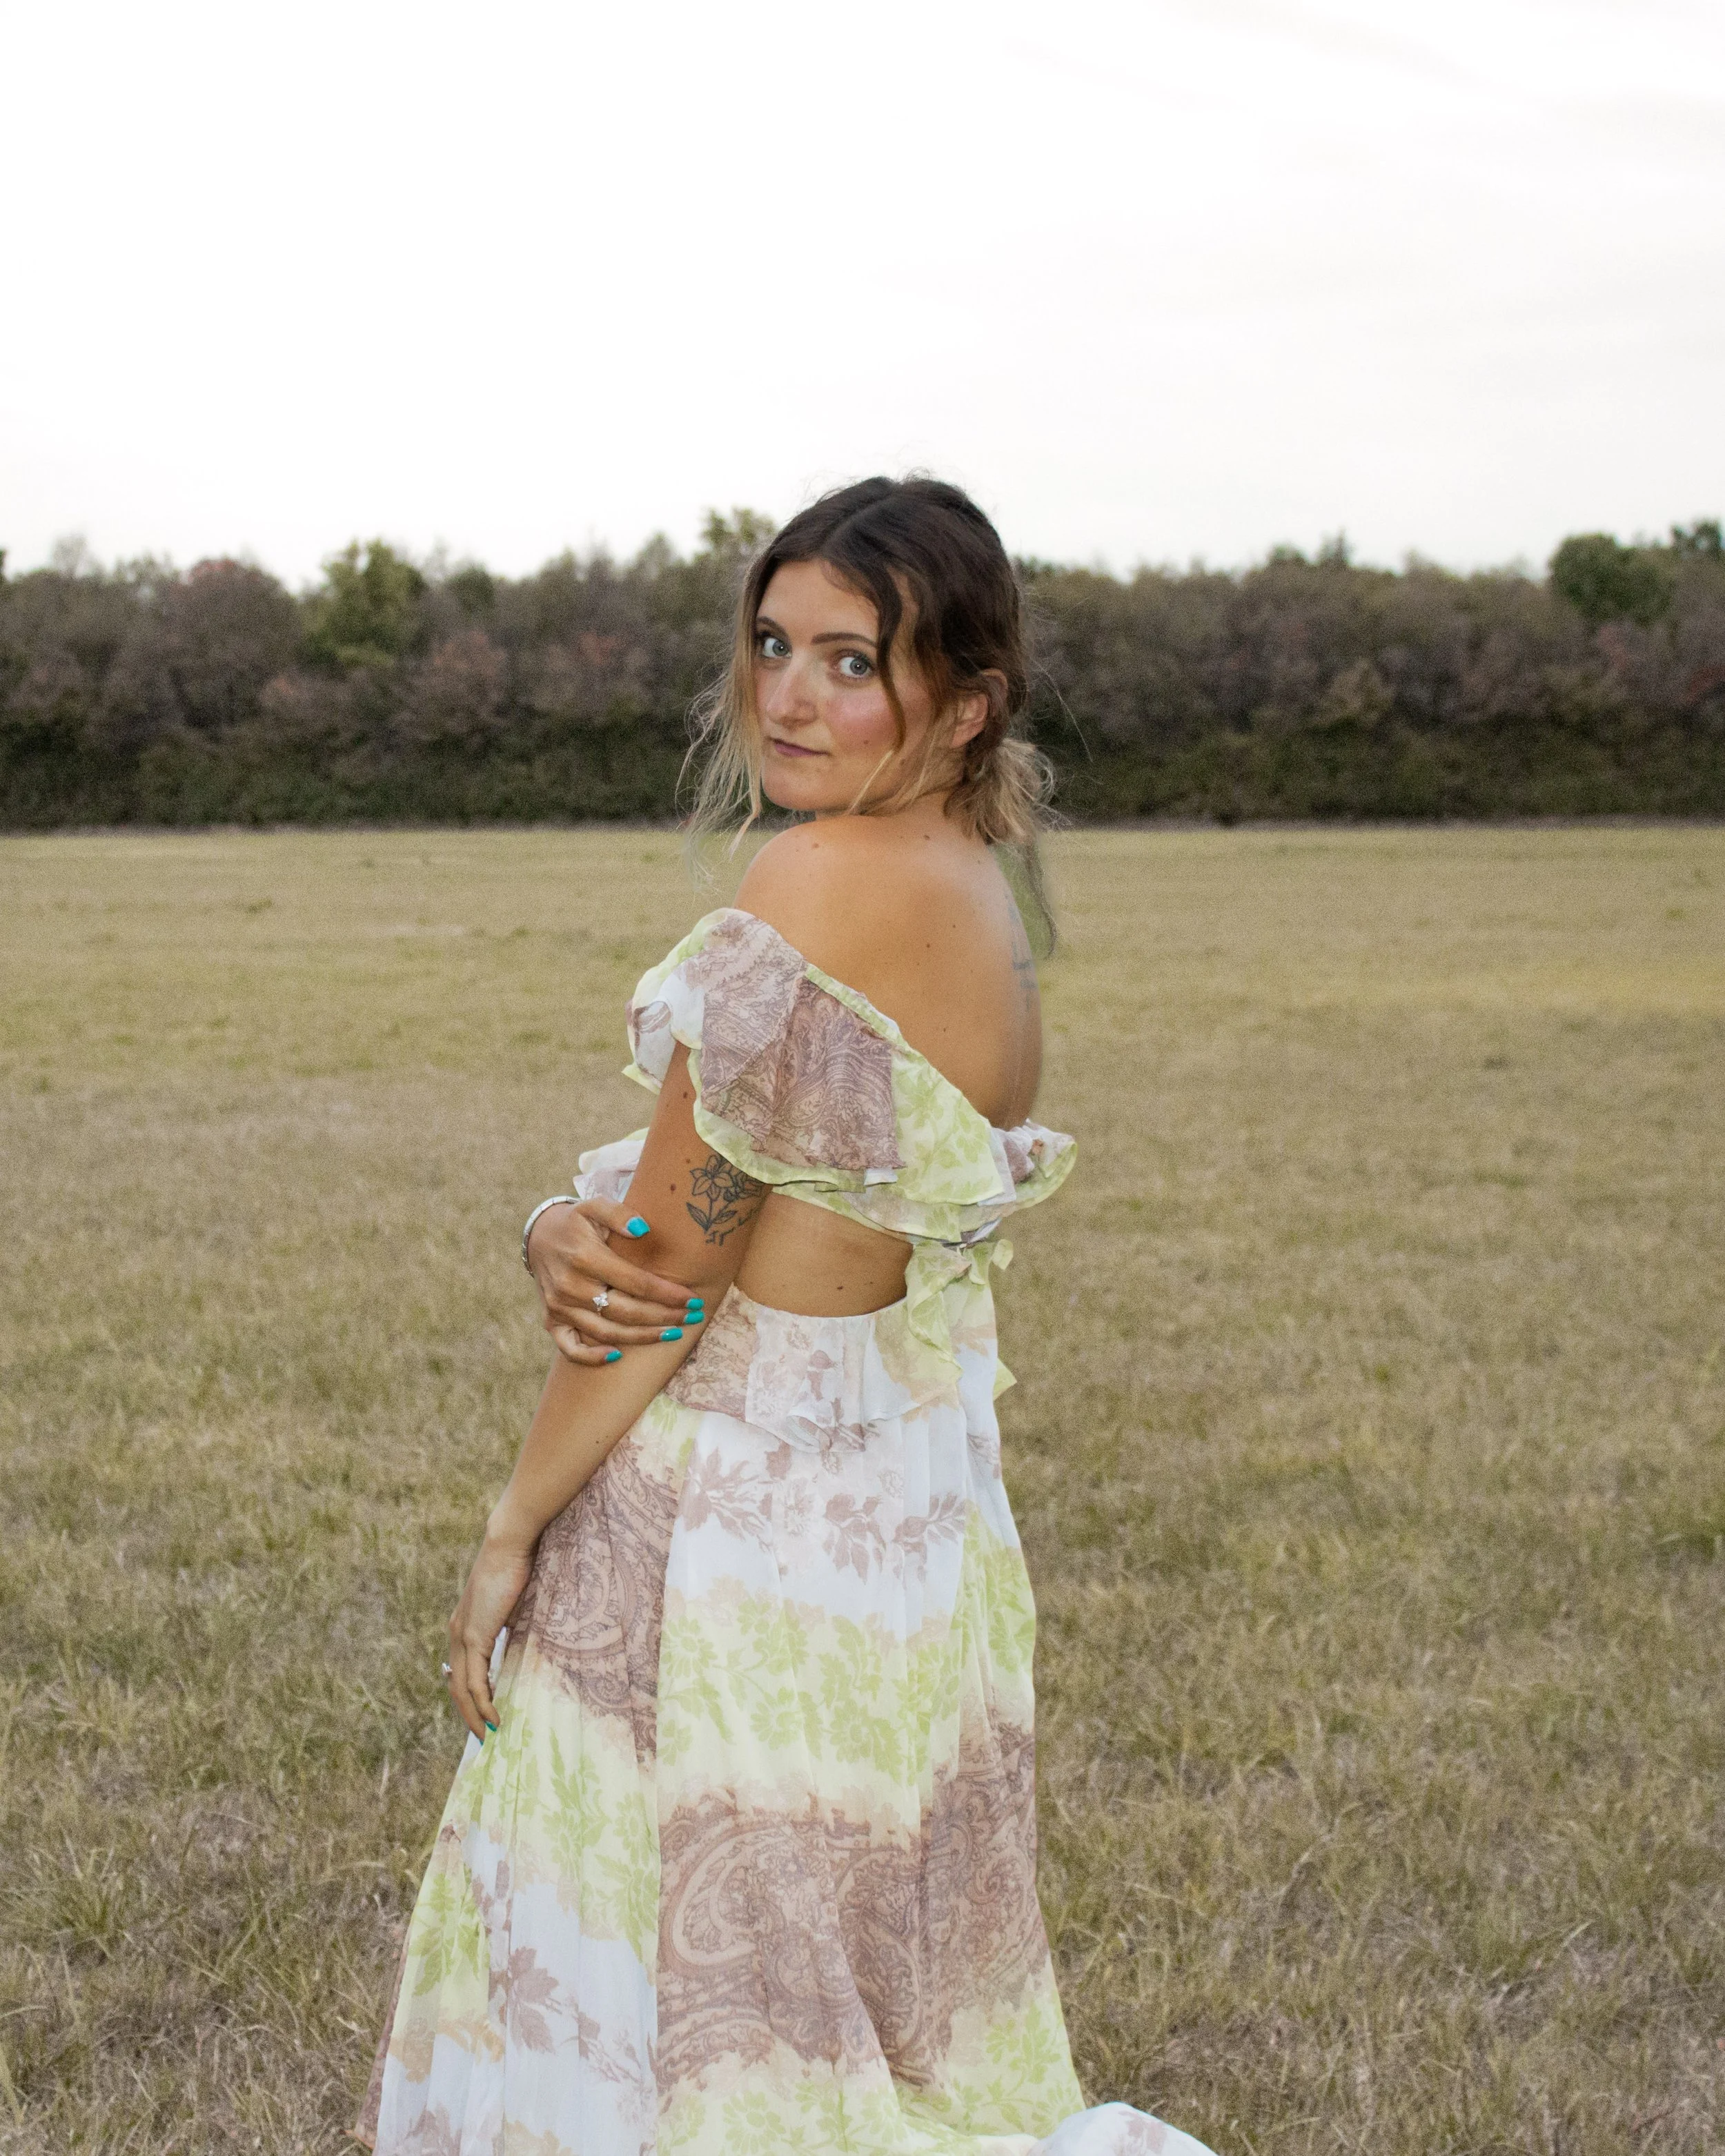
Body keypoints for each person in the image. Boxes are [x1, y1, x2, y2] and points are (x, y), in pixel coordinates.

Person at [356, 479, 1215, 2156]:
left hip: (732, 1518)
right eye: (772, 645)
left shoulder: (818, 879)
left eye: (847, 660)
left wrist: (512, 1522)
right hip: (892, 1521)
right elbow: (745, 1198)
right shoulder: (973, 881)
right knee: (834, 1980)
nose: (787, 694)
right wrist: (554, 1217)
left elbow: (672, 1262)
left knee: (661, 1978)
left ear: (959, 702)